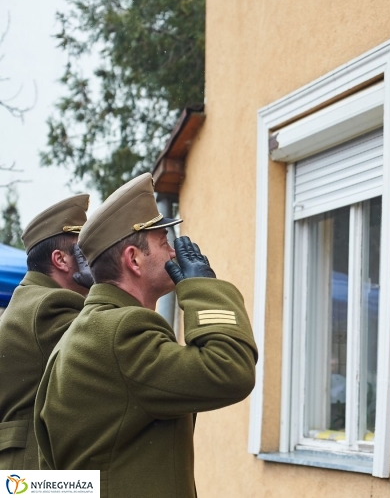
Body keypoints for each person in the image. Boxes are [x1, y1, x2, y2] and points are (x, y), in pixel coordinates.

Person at [34, 173, 257, 498]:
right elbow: (229, 369)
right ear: (133, 259)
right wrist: (204, 288)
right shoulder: (123, 330)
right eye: (163, 241)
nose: (173, 253)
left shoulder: (87, 329)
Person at [0, 194, 92, 470]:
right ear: (61, 260)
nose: (96, 258)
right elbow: (109, 353)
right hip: (33, 468)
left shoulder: (29, 298)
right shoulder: (50, 305)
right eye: (85, 252)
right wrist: (107, 286)